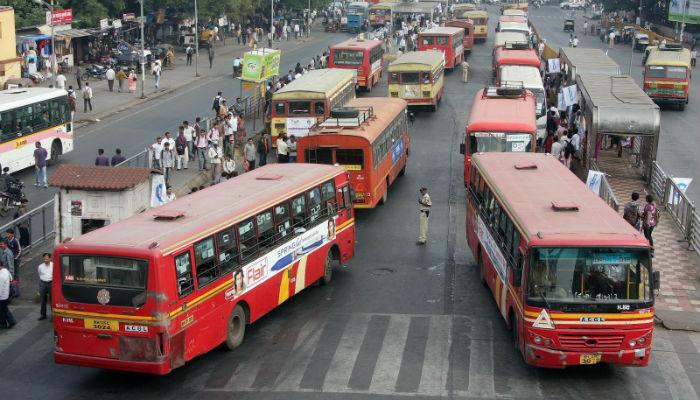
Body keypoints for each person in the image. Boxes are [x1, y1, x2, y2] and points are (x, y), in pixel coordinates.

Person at [0, 261, 16, 329]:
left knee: (2, 311)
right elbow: (11, 279)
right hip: (7, 293)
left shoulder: (1, 276)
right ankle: (11, 321)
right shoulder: (6, 271)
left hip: (2, 296)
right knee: (4, 309)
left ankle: (4, 324)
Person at [37, 253, 52, 321]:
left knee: (52, 300)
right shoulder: (40, 266)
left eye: (47, 258)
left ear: (50, 258)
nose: (45, 260)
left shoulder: (53, 265)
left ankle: (53, 316)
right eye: (44, 258)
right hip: (42, 283)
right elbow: (39, 274)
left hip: (51, 283)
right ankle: (43, 315)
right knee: (43, 300)